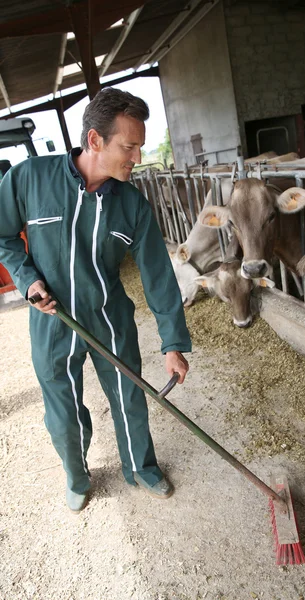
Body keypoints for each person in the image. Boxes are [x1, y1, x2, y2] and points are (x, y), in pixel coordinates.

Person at [0, 87, 191, 513]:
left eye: (140, 146)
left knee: (129, 397)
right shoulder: (30, 178)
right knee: (63, 412)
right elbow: (3, 236)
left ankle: (140, 467)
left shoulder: (133, 206)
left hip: (109, 317)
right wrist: (28, 280)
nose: (137, 157)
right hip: (53, 321)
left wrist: (173, 344)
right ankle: (77, 474)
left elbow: (158, 275)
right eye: (129, 146)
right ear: (94, 141)